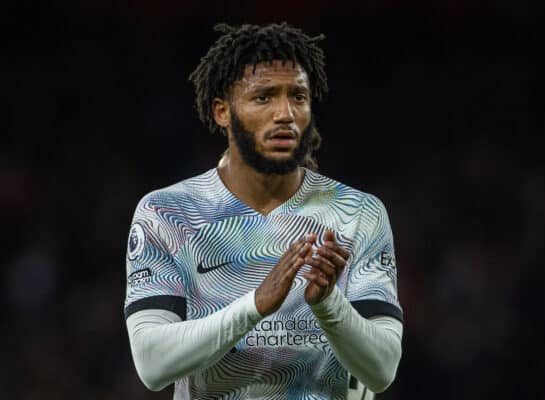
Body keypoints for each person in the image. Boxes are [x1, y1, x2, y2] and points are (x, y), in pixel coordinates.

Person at [124, 22, 404, 400]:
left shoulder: (358, 214)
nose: (285, 113)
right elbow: (152, 365)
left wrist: (328, 303)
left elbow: (383, 369)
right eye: (264, 97)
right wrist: (255, 305)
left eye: (298, 97)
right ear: (222, 112)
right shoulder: (169, 213)